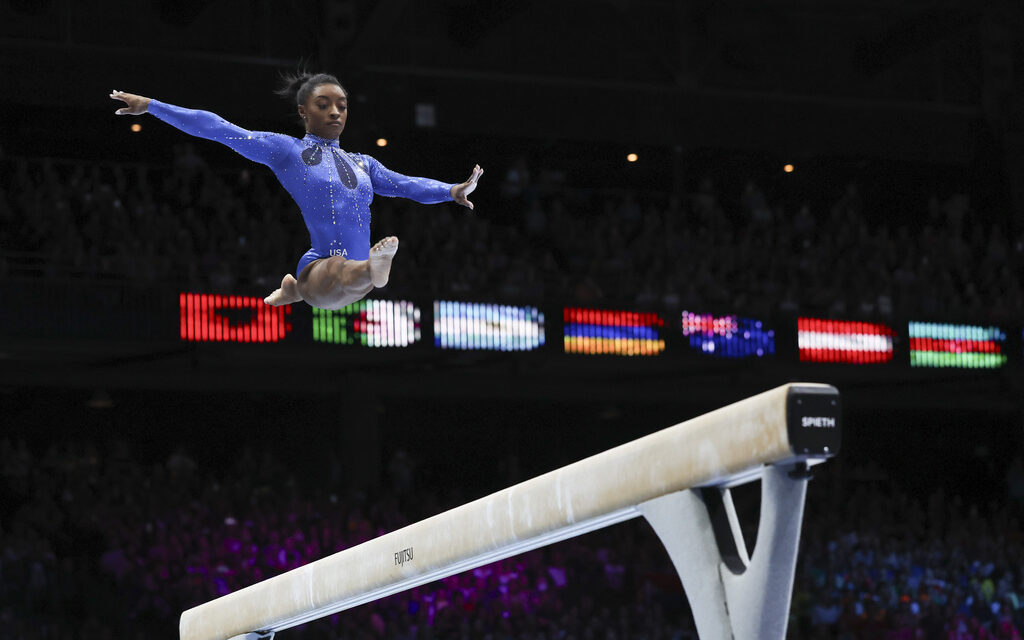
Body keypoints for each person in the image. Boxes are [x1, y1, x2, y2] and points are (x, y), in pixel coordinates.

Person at [109, 72, 482, 309]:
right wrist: (152, 107)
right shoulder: (287, 150)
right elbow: (219, 128)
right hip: (321, 265)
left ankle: (312, 285)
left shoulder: (364, 164)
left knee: (352, 274)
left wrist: (451, 190)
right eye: (324, 105)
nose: (336, 112)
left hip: (344, 275)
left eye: (342, 105)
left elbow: (406, 184)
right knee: (342, 270)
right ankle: (348, 275)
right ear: (304, 111)